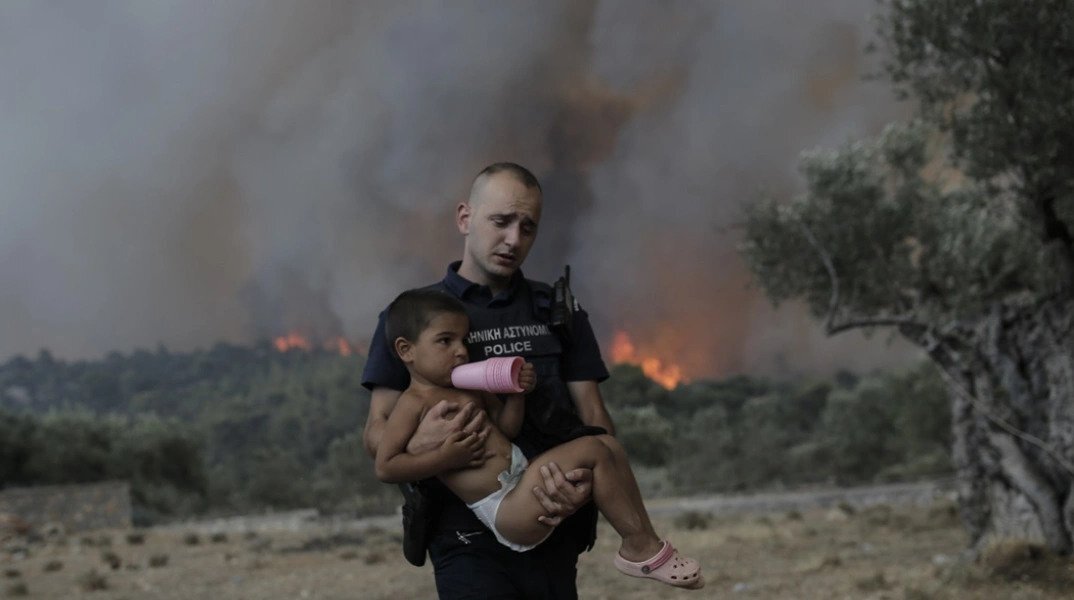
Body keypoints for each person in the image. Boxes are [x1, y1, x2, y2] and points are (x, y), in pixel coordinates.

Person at [361, 162, 614, 598]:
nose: (513, 240)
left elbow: (594, 416)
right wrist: (429, 443)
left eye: (527, 227)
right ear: (465, 217)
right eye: (501, 221)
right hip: (465, 535)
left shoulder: (557, 313)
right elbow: (376, 431)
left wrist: (584, 486)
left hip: (551, 521)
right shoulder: (416, 317)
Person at [374, 289, 704, 590]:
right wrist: (445, 459)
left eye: (464, 340)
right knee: (592, 448)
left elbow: (507, 431)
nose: (461, 351)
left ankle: (644, 539)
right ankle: (638, 547)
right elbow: (386, 466)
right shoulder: (412, 404)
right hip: (503, 507)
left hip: (522, 480)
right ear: (406, 350)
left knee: (608, 446)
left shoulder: (470, 387)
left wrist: (517, 395)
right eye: (446, 341)